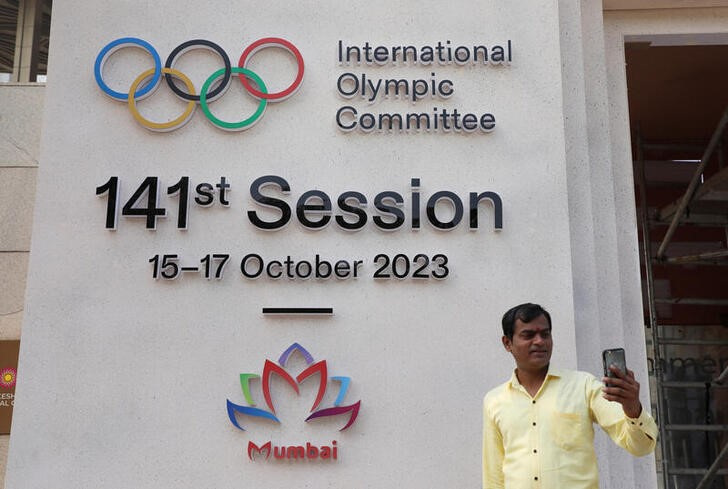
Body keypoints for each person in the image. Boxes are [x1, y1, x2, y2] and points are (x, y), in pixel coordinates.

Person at [482, 303, 657, 489]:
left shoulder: (583, 386)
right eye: (528, 335)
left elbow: (641, 447)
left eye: (545, 334)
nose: (540, 341)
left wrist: (632, 409)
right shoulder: (495, 400)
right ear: (507, 343)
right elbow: (494, 476)